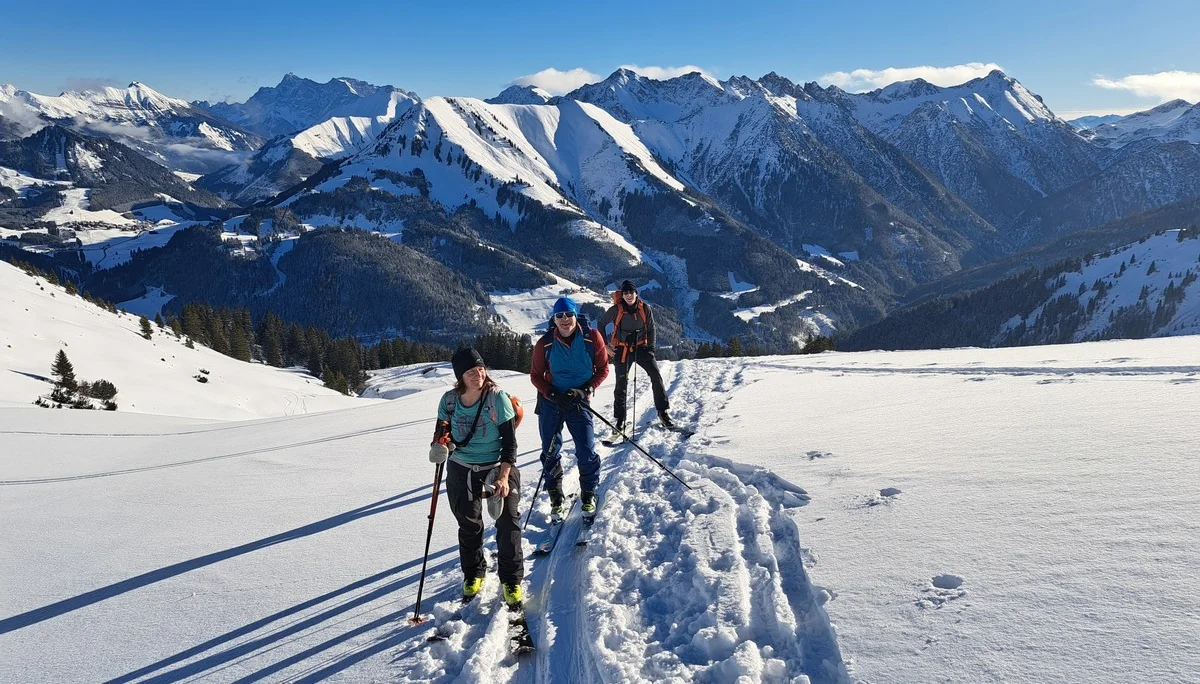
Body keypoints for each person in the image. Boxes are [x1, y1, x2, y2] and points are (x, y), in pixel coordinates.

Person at [429, 347, 524, 608]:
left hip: (496, 466)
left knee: (508, 522)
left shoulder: (497, 399)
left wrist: (504, 478)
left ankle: (511, 579)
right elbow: (441, 433)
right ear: (460, 376)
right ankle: (473, 573)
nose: (478, 374)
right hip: (461, 467)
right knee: (468, 523)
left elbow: (510, 444)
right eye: (471, 371)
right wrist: (439, 446)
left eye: (481, 369)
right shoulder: (449, 401)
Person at [529, 296, 609, 519]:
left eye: (569, 314)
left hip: (579, 402)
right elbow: (536, 376)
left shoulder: (592, 338)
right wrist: (553, 393)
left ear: (576, 316)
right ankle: (556, 496)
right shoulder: (544, 344)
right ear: (554, 319)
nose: (565, 319)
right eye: (560, 315)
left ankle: (589, 493)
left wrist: (584, 390)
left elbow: (603, 369)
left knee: (586, 449)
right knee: (550, 450)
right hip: (551, 403)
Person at [599, 280, 672, 433]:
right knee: (621, 385)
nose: (629, 295)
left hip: (642, 349)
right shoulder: (616, 309)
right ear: (622, 295)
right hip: (622, 350)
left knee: (656, 377)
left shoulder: (644, 308)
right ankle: (620, 420)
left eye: (631, 292)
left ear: (636, 293)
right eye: (625, 293)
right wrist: (605, 346)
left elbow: (651, 329)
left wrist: (650, 349)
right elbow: (600, 323)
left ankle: (663, 412)